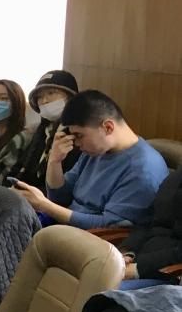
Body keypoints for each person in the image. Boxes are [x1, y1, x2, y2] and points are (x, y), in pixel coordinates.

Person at [13, 90, 168, 230]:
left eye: (79, 136)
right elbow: (60, 198)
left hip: (93, 240)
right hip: (65, 228)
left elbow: (111, 225)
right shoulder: (96, 151)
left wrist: (45, 206)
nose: (76, 143)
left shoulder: (142, 169)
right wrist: (55, 161)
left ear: (108, 127)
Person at [11, 70, 80, 189]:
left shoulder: (80, 133)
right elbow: (21, 167)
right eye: (39, 97)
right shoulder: (42, 132)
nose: (44, 101)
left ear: (70, 97)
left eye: (51, 93)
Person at [119, 166, 182, 288]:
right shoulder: (175, 177)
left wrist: (138, 268)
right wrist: (127, 251)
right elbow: (147, 222)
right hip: (139, 258)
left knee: (99, 289)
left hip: (169, 275)